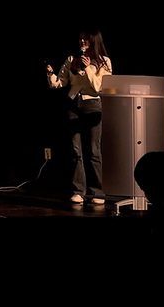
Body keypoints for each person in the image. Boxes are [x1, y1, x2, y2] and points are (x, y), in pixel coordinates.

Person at [46, 30, 112, 204]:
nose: (82, 41)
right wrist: (50, 75)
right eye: (80, 39)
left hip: (93, 105)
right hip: (73, 105)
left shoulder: (104, 62)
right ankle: (78, 191)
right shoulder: (71, 59)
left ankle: (97, 192)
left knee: (93, 150)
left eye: (86, 39)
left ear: (94, 41)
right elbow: (59, 83)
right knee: (76, 150)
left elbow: (99, 87)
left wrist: (88, 68)